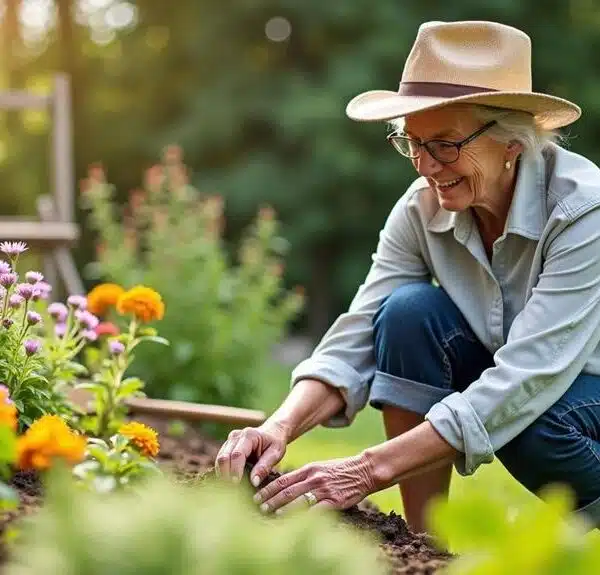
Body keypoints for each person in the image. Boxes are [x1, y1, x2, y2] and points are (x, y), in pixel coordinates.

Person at [215, 20, 600, 534]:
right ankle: (423, 546)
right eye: (411, 142)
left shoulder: (582, 211)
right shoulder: (421, 211)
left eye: (444, 144)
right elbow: (359, 333)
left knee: (533, 419)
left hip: (576, 390)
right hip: (533, 385)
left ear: (511, 141)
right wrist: (278, 426)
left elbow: (529, 378)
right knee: (407, 315)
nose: (425, 165)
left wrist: (364, 470)